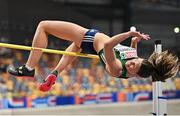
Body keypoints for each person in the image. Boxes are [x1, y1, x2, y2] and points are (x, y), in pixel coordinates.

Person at [7, 20, 179, 92]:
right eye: (135, 61)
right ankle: (55, 73)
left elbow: (109, 44)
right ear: (142, 60)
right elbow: (132, 53)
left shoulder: (117, 69)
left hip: (89, 38)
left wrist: (128, 34)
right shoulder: (134, 63)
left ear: (133, 75)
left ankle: (28, 68)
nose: (131, 64)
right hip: (89, 46)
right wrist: (135, 40)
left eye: (133, 67)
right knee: (72, 50)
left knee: (43, 26)